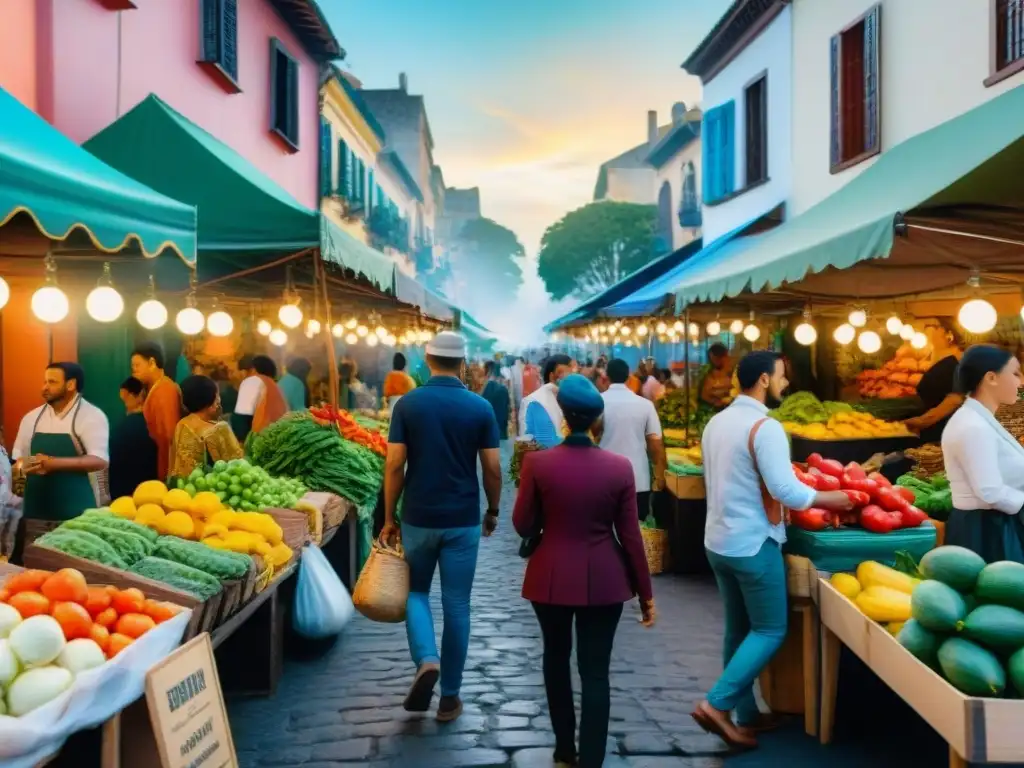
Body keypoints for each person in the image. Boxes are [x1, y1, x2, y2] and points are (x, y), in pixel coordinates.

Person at [694, 351, 852, 748]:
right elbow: (786, 490)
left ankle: (745, 714)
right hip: (753, 543)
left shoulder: (717, 422)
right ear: (764, 379)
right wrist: (833, 498)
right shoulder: (765, 427)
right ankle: (717, 704)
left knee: (738, 628)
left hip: (718, 542)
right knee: (769, 629)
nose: (785, 383)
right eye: (781, 376)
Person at [513, 374, 655, 767]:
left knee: (556, 660)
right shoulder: (619, 467)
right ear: (598, 421)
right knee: (595, 672)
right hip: (604, 579)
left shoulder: (537, 464)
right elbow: (630, 536)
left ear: (563, 419)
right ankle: (592, 759)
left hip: (550, 577)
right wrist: (645, 595)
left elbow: (523, 525)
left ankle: (563, 750)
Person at [380, 332, 502, 723]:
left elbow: (394, 465)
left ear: (428, 360)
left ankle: (426, 659)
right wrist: (493, 509)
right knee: (457, 604)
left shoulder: (408, 405)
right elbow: (493, 468)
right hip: (463, 518)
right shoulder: (480, 407)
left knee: (415, 592)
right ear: (463, 363)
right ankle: (449, 696)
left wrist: (388, 517)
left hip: (418, 515)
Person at [11, 363, 110, 563]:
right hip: (35, 518)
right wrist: (16, 499)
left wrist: (53, 464)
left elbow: (99, 461)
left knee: (75, 575)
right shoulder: (31, 419)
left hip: (77, 520)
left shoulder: (91, 416)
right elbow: (17, 463)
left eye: (52, 382)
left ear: (71, 384)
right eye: (44, 381)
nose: (44, 387)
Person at [942, 345, 1024, 562]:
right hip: (985, 531)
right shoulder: (973, 426)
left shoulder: (979, 419)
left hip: (991, 524)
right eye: (1015, 373)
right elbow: (990, 491)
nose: (1020, 381)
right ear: (991, 378)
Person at [598, 359, 667, 520]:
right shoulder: (645, 405)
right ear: (629, 377)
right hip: (638, 478)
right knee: (636, 531)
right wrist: (660, 476)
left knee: (605, 530)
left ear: (606, 377)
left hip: (603, 478)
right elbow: (655, 444)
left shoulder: (598, 402)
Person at [170, 375, 244, 480]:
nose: (219, 400)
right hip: (212, 491)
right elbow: (239, 467)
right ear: (211, 400)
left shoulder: (182, 424)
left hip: (183, 489)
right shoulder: (220, 429)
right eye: (217, 395)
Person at [131, 342, 182, 482]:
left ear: (152, 363)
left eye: (137, 365)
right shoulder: (154, 388)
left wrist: (166, 476)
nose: (134, 370)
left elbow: (168, 436)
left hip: (163, 469)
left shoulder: (165, 390)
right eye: (132, 367)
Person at [905, 325, 964, 442]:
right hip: (933, 430)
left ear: (949, 334)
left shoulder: (958, 361)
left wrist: (924, 420)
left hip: (946, 431)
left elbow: (956, 398)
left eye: (936, 327)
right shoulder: (939, 357)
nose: (930, 331)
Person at [107, 377, 158, 500]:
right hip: (147, 489)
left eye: (126, 398)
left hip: (122, 491)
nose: (125, 403)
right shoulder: (150, 424)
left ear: (140, 395)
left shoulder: (125, 426)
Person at [519, 355, 572, 448]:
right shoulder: (533, 401)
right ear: (552, 377)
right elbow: (526, 441)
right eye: (567, 376)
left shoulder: (573, 398)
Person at [233, 355, 287, 441]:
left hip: (260, 440)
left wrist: (242, 443)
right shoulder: (276, 386)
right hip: (278, 438)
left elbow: (240, 418)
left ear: (253, 369)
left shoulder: (252, 381)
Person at [480, 361, 511, 441]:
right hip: (501, 434)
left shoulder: (483, 389)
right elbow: (507, 412)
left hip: (486, 435)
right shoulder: (503, 389)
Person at [700, 344, 734, 411]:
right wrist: (715, 401)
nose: (713, 361)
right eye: (712, 358)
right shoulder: (709, 375)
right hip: (715, 410)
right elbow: (704, 395)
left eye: (715, 358)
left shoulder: (732, 373)